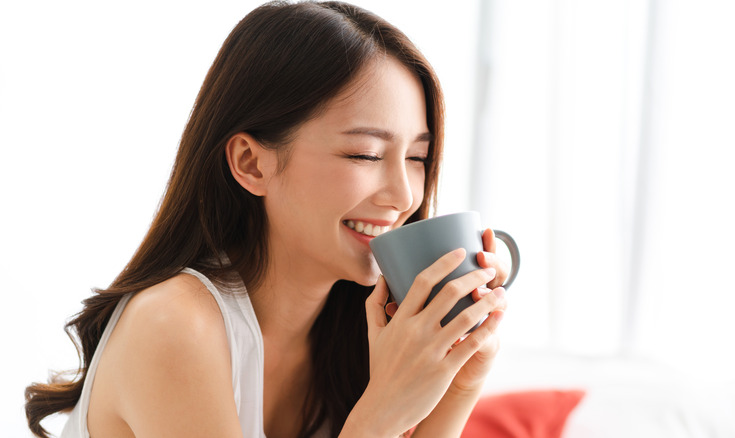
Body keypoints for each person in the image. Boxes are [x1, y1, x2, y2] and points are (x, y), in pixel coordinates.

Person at [24, 1, 509, 437]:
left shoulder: (359, 330)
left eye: (417, 158)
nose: (404, 196)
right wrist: (380, 413)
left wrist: (463, 380)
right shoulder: (174, 326)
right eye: (364, 154)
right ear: (252, 163)